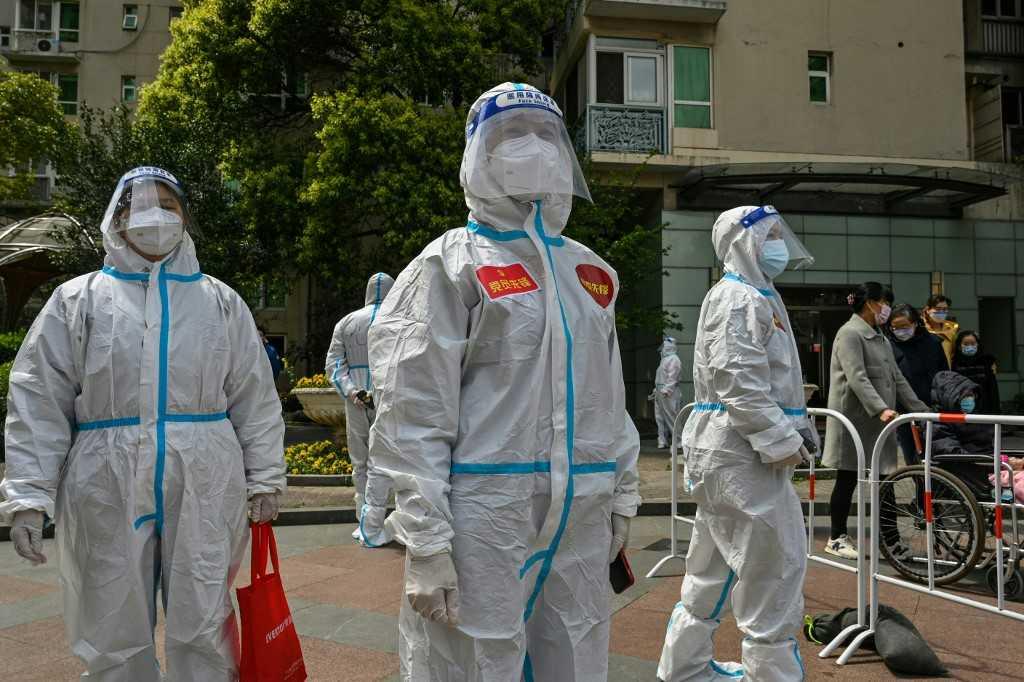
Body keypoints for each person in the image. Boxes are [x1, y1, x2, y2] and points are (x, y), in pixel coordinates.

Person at [367, 82, 641, 681]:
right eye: (514, 135)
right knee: (472, 662)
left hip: (581, 511)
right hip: (483, 520)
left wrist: (620, 490)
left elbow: (609, 395)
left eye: (547, 135)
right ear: (478, 156)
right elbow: (412, 415)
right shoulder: (449, 265)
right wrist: (426, 540)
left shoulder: (591, 272)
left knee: (577, 656)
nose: (535, 148)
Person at [0, 166, 286, 681]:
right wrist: (27, 494)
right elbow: (39, 397)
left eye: (168, 206)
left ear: (185, 218)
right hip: (104, 481)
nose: (155, 217)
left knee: (204, 618)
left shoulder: (220, 301)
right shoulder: (77, 300)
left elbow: (254, 395)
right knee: (110, 620)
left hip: (204, 476)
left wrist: (265, 476)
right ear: (118, 218)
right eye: (139, 206)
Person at [658, 205, 815, 682]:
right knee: (774, 568)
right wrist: (781, 440)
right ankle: (772, 676)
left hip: (731, 451)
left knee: (712, 565)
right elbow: (739, 382)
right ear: (744, 243)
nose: (779, 245)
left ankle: (682, 669)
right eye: (769, 236)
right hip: (742, 454)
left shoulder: (751, 297)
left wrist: (788, 430)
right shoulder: (740, 299)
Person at [822, 283, 927, 560]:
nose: (886, 308)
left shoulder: (880, 337)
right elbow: (856, 376)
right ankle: (836, 536)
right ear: (868, 303)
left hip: (880, 420)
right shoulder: (850, 333)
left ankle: (891, 540)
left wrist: (921, 410)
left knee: (884, 480)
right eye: (883, 302)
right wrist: (880, 408)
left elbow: (897, 378)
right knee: (847, 477)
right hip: (855, 419)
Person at [325, 272, 396, 546]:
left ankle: (363, 521)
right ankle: (383, 521)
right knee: (391, 460)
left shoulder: (347, 322)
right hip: (387, 400)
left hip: (355, 399)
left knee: (361, 462)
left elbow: (333, 364)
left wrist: (352, 391)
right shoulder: (400, 321)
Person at [887, 303, 948, 463]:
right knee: (911, 457)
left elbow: (944, 375)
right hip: (903, 413)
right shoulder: (888, 346)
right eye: (895, 328)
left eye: (905, 326)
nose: (901, 331)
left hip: (931, 409)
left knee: (934, 457)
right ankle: (919, 485)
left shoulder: (933, 344)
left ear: (915, 323)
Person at [951, 330, 1001, 414]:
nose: (970, 346)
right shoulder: (954, 364)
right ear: (959, 346)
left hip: (985, 409)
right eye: (966, 344)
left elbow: (993, 390)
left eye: (973, 343)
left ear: (978, 344)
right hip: (962, 410)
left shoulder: (986, 363)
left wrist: (995, 412)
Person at [654, 336, 683, 449]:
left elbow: (673, 376)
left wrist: (667, 389)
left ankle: (678, 440)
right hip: (660, 391)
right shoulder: (665, 360)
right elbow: (661, 377)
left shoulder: (674, 359)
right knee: (660, 417)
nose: (662, 348)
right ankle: (662, 440)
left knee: (672, 416)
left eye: (664, 345)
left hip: (668, 393)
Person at [923, 294, 958, 365]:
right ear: (928, 310)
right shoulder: (921, 329)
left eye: (945, 309)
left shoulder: (952, 330)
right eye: (938, 309)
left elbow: (953, 355)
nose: (941, 312)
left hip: (946, 373)